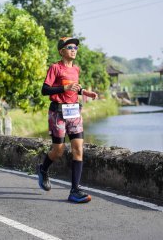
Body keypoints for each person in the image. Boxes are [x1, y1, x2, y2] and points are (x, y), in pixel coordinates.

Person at [37, 37, 98, 203]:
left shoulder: (76, 69)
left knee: (78, 148)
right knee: (59, 150)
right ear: (61, 51)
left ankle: (74, 190)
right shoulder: (55, 68)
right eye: (70, 47)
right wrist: (65, 87)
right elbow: (45, 90)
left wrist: (85, 92)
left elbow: (73, 90)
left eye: (76, 47)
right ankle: (43, 169)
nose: (74, 50)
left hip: (74, 111)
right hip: (57, 112)